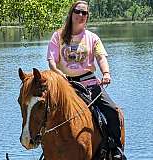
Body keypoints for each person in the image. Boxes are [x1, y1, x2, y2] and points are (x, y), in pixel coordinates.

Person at [46, 0, 126, 159]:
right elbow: (51, 61)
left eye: (85, 13)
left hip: (89, 83)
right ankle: (43, 145)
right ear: (71, 13)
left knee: (113, 111)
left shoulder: (92, 37)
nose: (81, 15)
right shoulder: (58, 36)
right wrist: (57, 72)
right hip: (65, 84)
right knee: (43, 112)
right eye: (78, 11)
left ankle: (115, 149)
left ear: (87, 17)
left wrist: (106, 73)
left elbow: (100, 57)